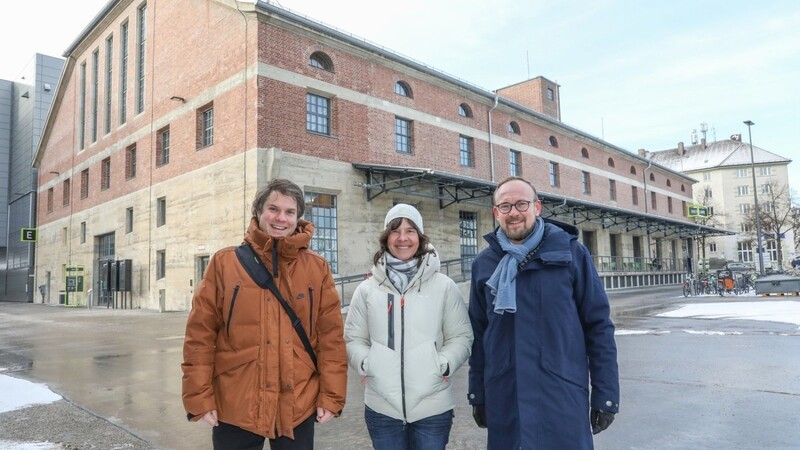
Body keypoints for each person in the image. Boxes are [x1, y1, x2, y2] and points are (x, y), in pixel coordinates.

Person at [181, 179, 348, 450]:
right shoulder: (225, 264)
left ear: (298, 218)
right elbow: (199, 336)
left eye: (289, 212)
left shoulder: (317, 268)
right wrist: (199, 397)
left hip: (298, 403)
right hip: (236, 403)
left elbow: (331, 338)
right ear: (258, 211)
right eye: (273, 209)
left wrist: (331, 396)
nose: (281, 218)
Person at [468, 176, 620, 449]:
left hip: (561, 397)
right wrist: (478, 393)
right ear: (496, 213)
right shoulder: (484, 265)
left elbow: (599, 328)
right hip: (506, 398)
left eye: (521, 204)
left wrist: (606, 394)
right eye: (505, 206)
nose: (513, 212)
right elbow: (479, 336)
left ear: (537, 208)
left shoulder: (572, 254)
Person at [344, 204, 473, 450]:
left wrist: (443, 363)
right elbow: (353, 338)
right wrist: (365, 362)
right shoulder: (367, 289)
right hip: (382, 409)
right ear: (386, 238)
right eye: (395, 231)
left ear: (420, 237)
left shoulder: (444, 286)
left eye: (410, 231)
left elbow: (461, 336)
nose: (403, 238)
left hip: (432, 409)